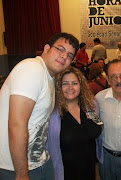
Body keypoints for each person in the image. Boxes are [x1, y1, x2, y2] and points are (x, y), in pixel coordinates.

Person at [0, 32, 79, 180]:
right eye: (60, 49)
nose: (64, 56)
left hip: (39, 162)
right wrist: (22, 174)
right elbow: (17, 124)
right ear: (46, 48)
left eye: (70, 55)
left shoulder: (49, 77)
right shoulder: (32, 69)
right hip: (16, 167)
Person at [47, 67, 102, 180]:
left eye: (74, 83)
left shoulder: (90, 106)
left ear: (81, 86)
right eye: (65, 84)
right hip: (65, 172)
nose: (70, 88)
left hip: (89, 169)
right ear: (58, 87)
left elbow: (97, 127)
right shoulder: (53, 113)